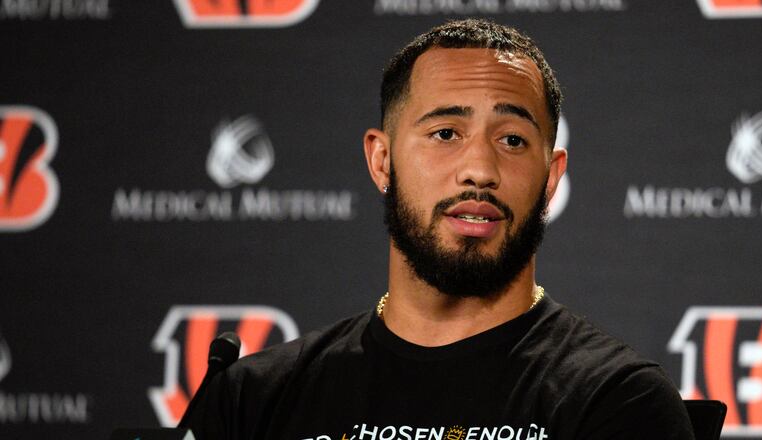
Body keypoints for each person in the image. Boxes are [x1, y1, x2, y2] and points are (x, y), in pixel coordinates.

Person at [185, 19, 694, 440]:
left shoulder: (619, 400)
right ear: (382, 161)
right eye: (445, 133)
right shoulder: (255, 398)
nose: (479, 168)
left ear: (551, 177)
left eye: (513, 140)